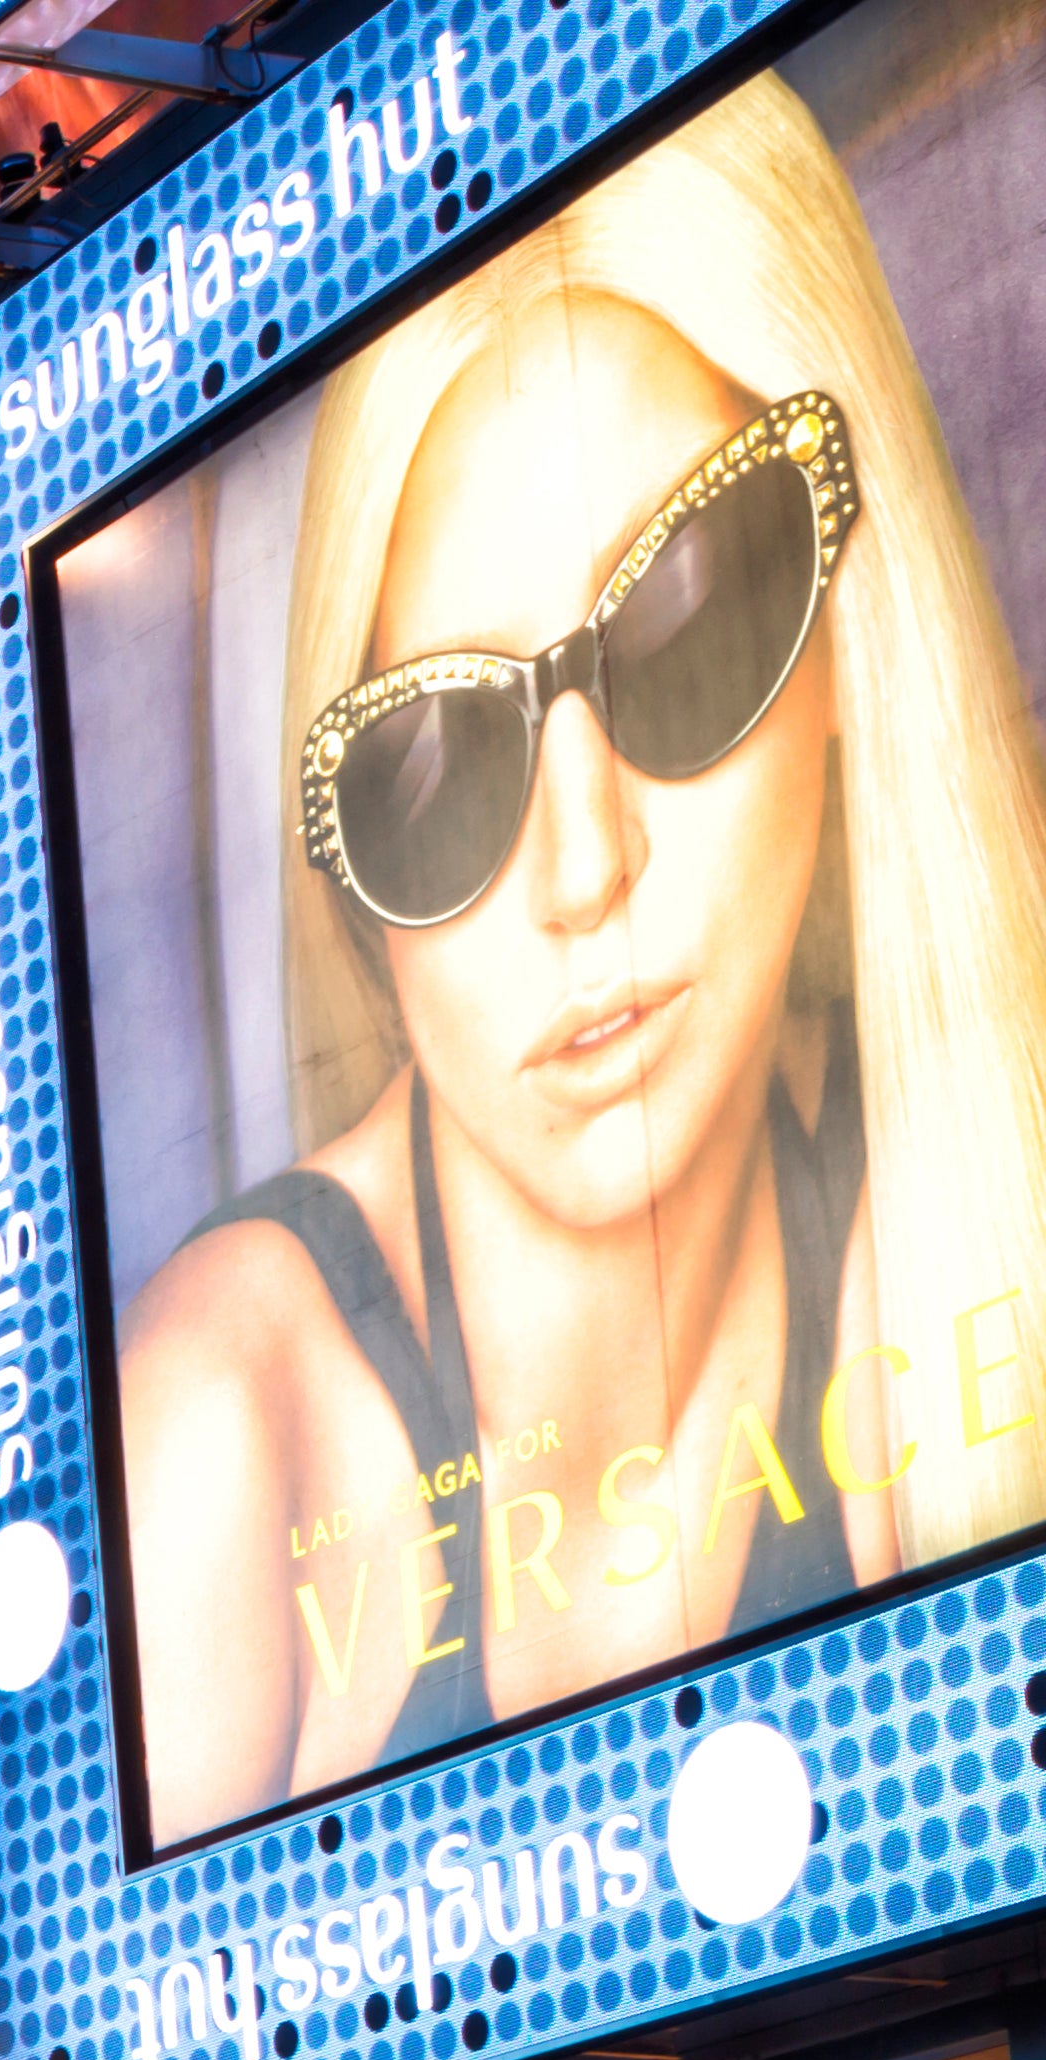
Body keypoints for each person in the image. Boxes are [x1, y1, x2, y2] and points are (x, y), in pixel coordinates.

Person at [115, 68, 1046, 1841]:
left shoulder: (969, 1199)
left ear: (851, 643)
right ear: (352, 895)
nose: (584, 865)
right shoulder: (222, 1431)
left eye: (694, 627)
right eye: (436, 771)